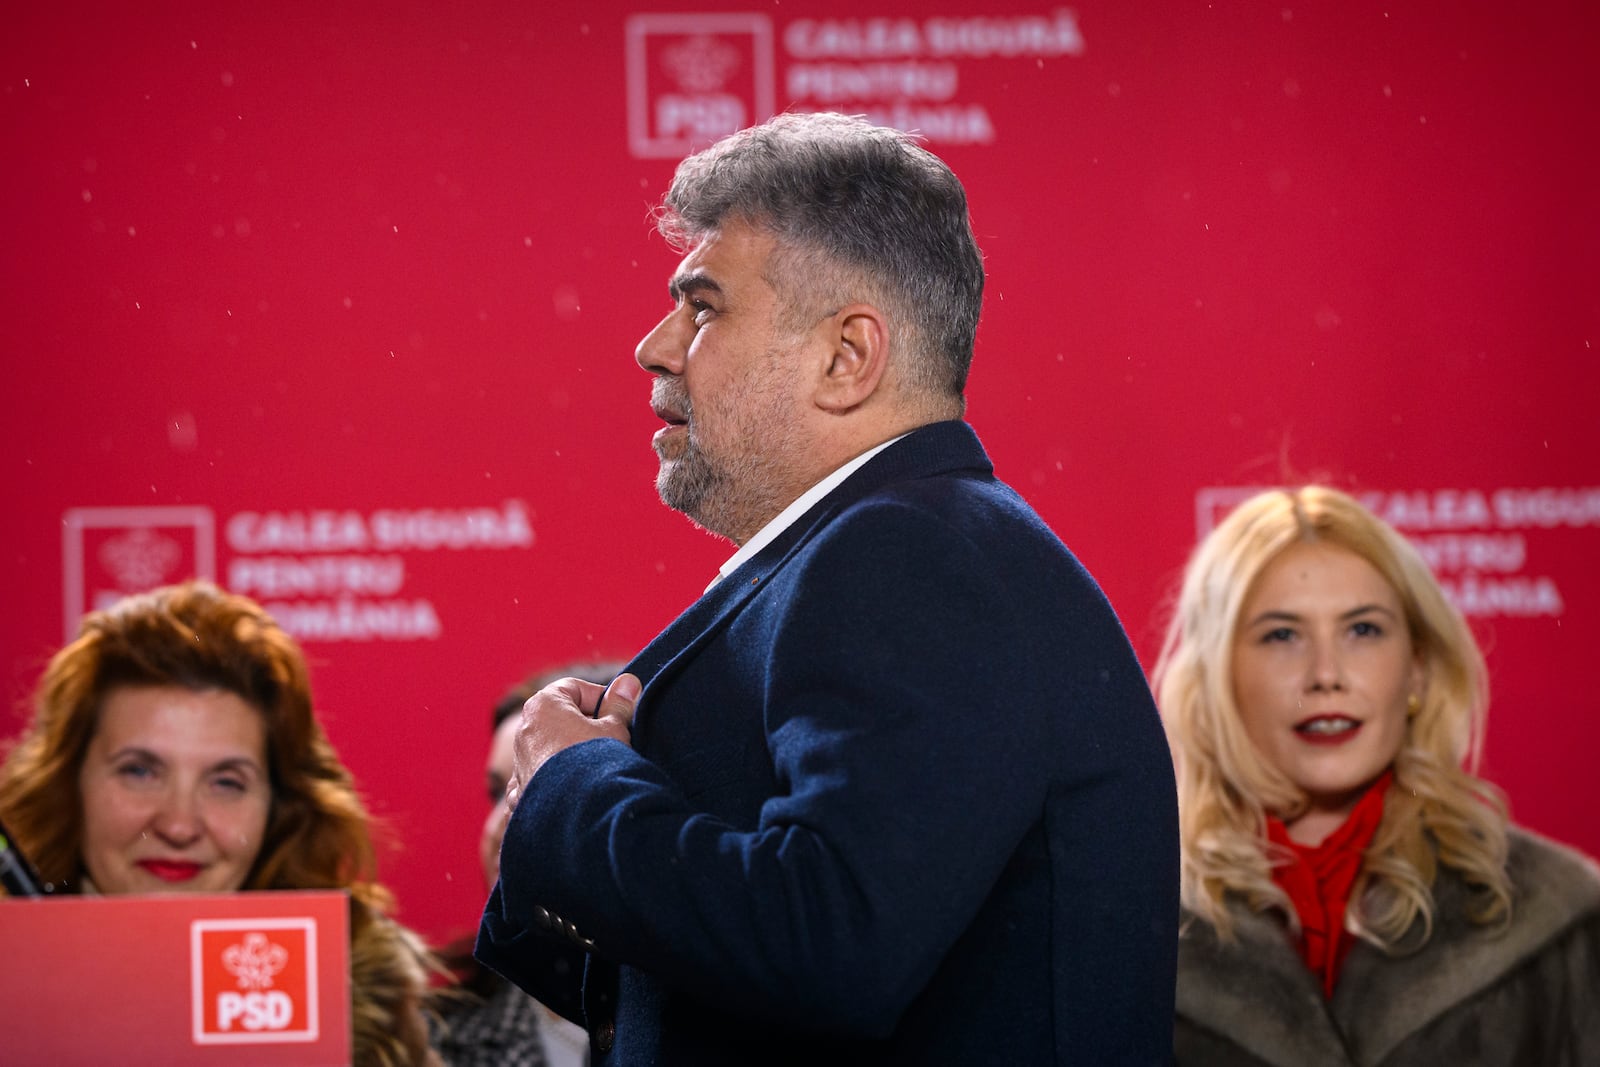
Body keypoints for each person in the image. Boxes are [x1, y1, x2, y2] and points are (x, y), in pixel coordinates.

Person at [475, 111, 1179, 1064]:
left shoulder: (913, 559)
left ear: (847, 357)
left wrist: (576, 784)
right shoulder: (889, 547)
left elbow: (830, 941)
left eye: (704, 305)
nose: (654, 344)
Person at [1153, 485, 1600, 1065]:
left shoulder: (1556, 920)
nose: (1326, 674)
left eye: (1362, 630)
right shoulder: (1134, 928)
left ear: (1416, 670)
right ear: (1217, 681)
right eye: (1281, 635)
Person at [0, 580, 443, 1067]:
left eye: (226, 783)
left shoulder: (361, 1009)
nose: (179, 824)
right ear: (69, 784)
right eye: (140, 771)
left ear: (278, 806)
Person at [435, 662, 622, 1067]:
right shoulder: (434, 1042)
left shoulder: (734, 1025)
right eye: (495, 793)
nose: (496, 827)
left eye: (534, 784)